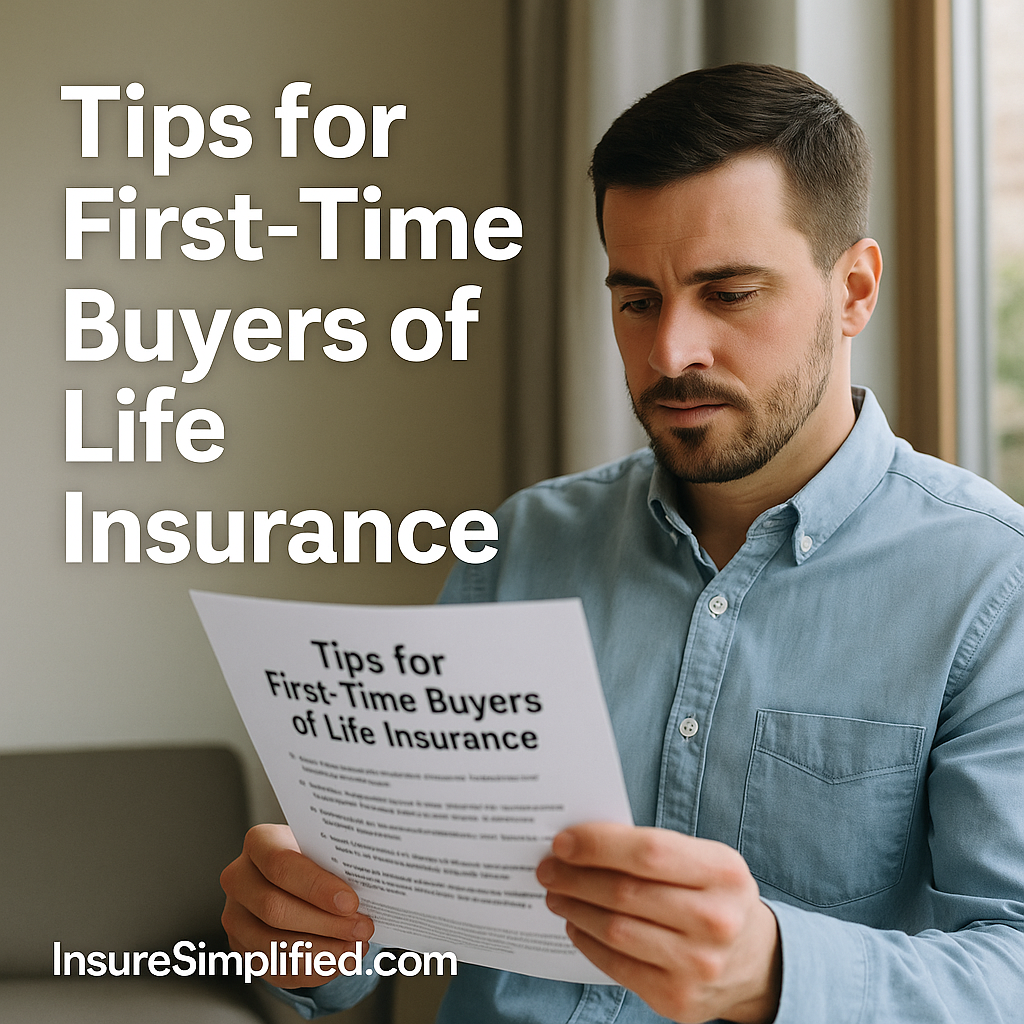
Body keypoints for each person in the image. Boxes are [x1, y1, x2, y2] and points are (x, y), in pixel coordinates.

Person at [220, 64, 1024, 1023]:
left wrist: (773, 971)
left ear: (852, 290)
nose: (669, 352)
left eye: (728, 294)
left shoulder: (991, 582)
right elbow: (393, 925)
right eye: (638, 299)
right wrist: (309, 931)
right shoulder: (519, 545)